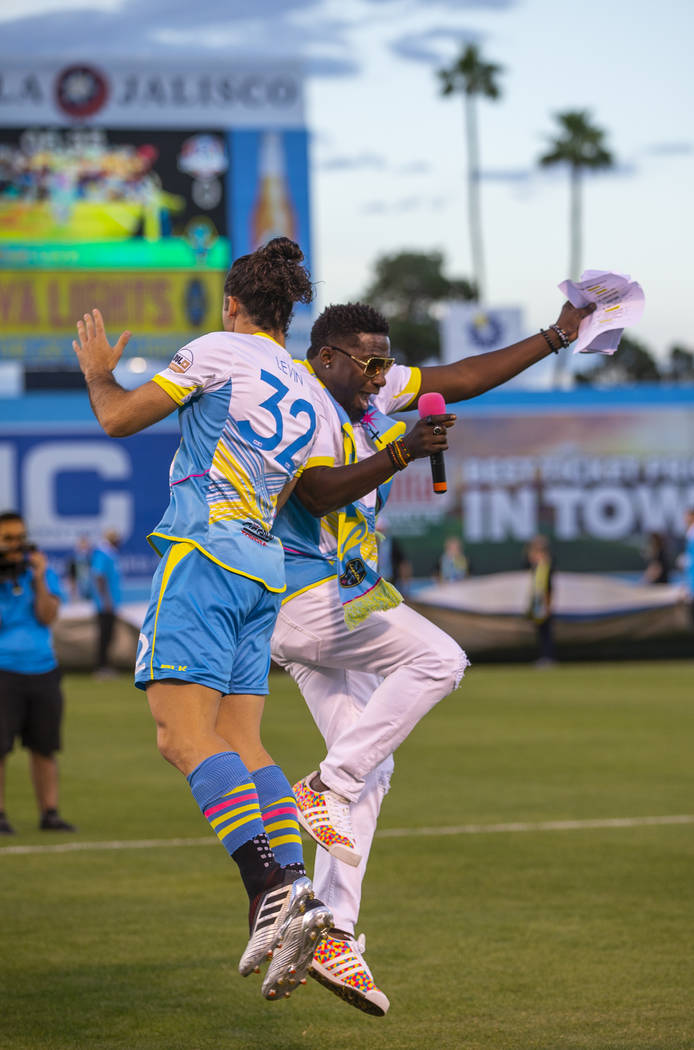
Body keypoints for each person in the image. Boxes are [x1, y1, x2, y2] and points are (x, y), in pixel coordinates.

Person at [271, 297, 594, 1015]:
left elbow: (467, 373)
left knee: (371, 770)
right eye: (370, 362)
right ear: (326, 357)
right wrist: (402, 451)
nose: (383, 375)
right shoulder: (297, 398)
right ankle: (324, 786)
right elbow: (317, 492)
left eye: (387, 361)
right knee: (440, 660)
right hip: (304, 592)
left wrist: (556, 335)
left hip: (342, 599)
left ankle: (331, 934)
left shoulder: (367, 386)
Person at [71, 237, 334, 1001]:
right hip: (263, 573)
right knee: (241, 738)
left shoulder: (220, 348)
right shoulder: (310, 393)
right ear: (287, 314)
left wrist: (98, 374)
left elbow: (120, 418)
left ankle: (266, 889)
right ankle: (292, 889)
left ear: (233, 304)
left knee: (180, 737)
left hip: (204, 556)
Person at [0, 511, 76, 834]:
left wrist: (40, 578)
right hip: (4, 670)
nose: (16, 545)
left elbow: (47, 616)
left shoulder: (39, 574)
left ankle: (50, 812)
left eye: (20, 537)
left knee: (44, 747)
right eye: (8, 539)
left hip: (43, 669)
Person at [90, 529, 122, 677]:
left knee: (109, 635)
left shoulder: (110, 553)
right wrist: (106, 600)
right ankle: (101, 667)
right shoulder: (103, 554)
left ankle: (105, 666)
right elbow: (99, 576)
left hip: (111, 602)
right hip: (105, 604)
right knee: (104, 635)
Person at [525, 534, 556, 667]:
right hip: (538, 604)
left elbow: (549, 588)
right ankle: (545, 657)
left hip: (543, 605)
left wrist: (548, 606)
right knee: (542, 633)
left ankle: (548, 658)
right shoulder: (536, 568)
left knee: (546, 633)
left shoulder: (546, 568)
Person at [65, 534, 92, 601]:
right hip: (80, 594)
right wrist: (74, 596)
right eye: (82, 546)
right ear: (77, 547)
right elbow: (71, 580)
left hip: (93, 594)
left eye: (85, 546)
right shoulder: (73, 561)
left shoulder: (94, 560)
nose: (84, 548)